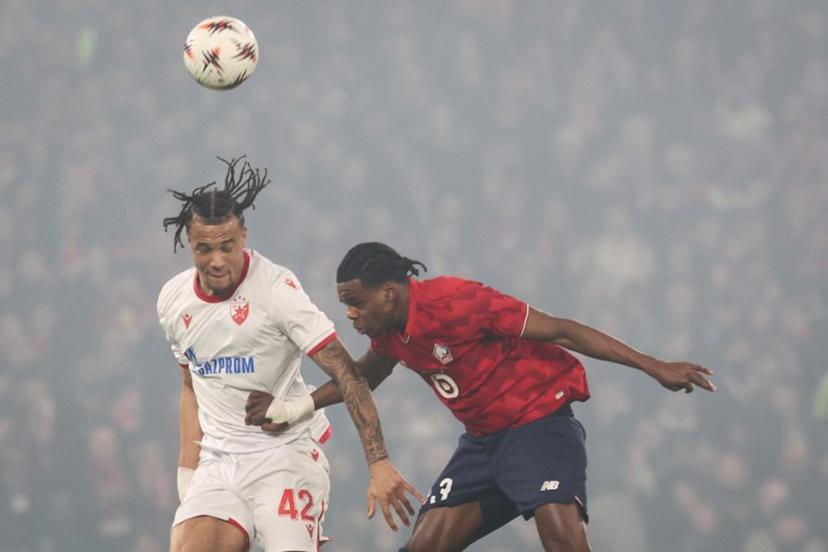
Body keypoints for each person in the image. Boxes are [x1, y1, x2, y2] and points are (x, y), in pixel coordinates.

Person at [245, 242, 717, 552]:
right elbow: (361, 378)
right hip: (483, 445)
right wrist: (294, 408)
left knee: (563, 542)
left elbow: (563, 331)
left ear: (389, 293)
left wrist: (654, 365)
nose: (349, 314)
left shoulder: (458, 302)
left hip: (540, 426)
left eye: (356, 302)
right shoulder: (390, 332)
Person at [157, 163, 422, 552]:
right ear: (189, 243)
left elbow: (350, 374)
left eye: (227, 246)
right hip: (219, 463)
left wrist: (378, 461)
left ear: (244, 236)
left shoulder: (277, 290)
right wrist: (188, 477)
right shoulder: (173, 300)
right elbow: (190, 386)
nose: (217, 260)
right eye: (204, 248)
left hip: (284, 457)